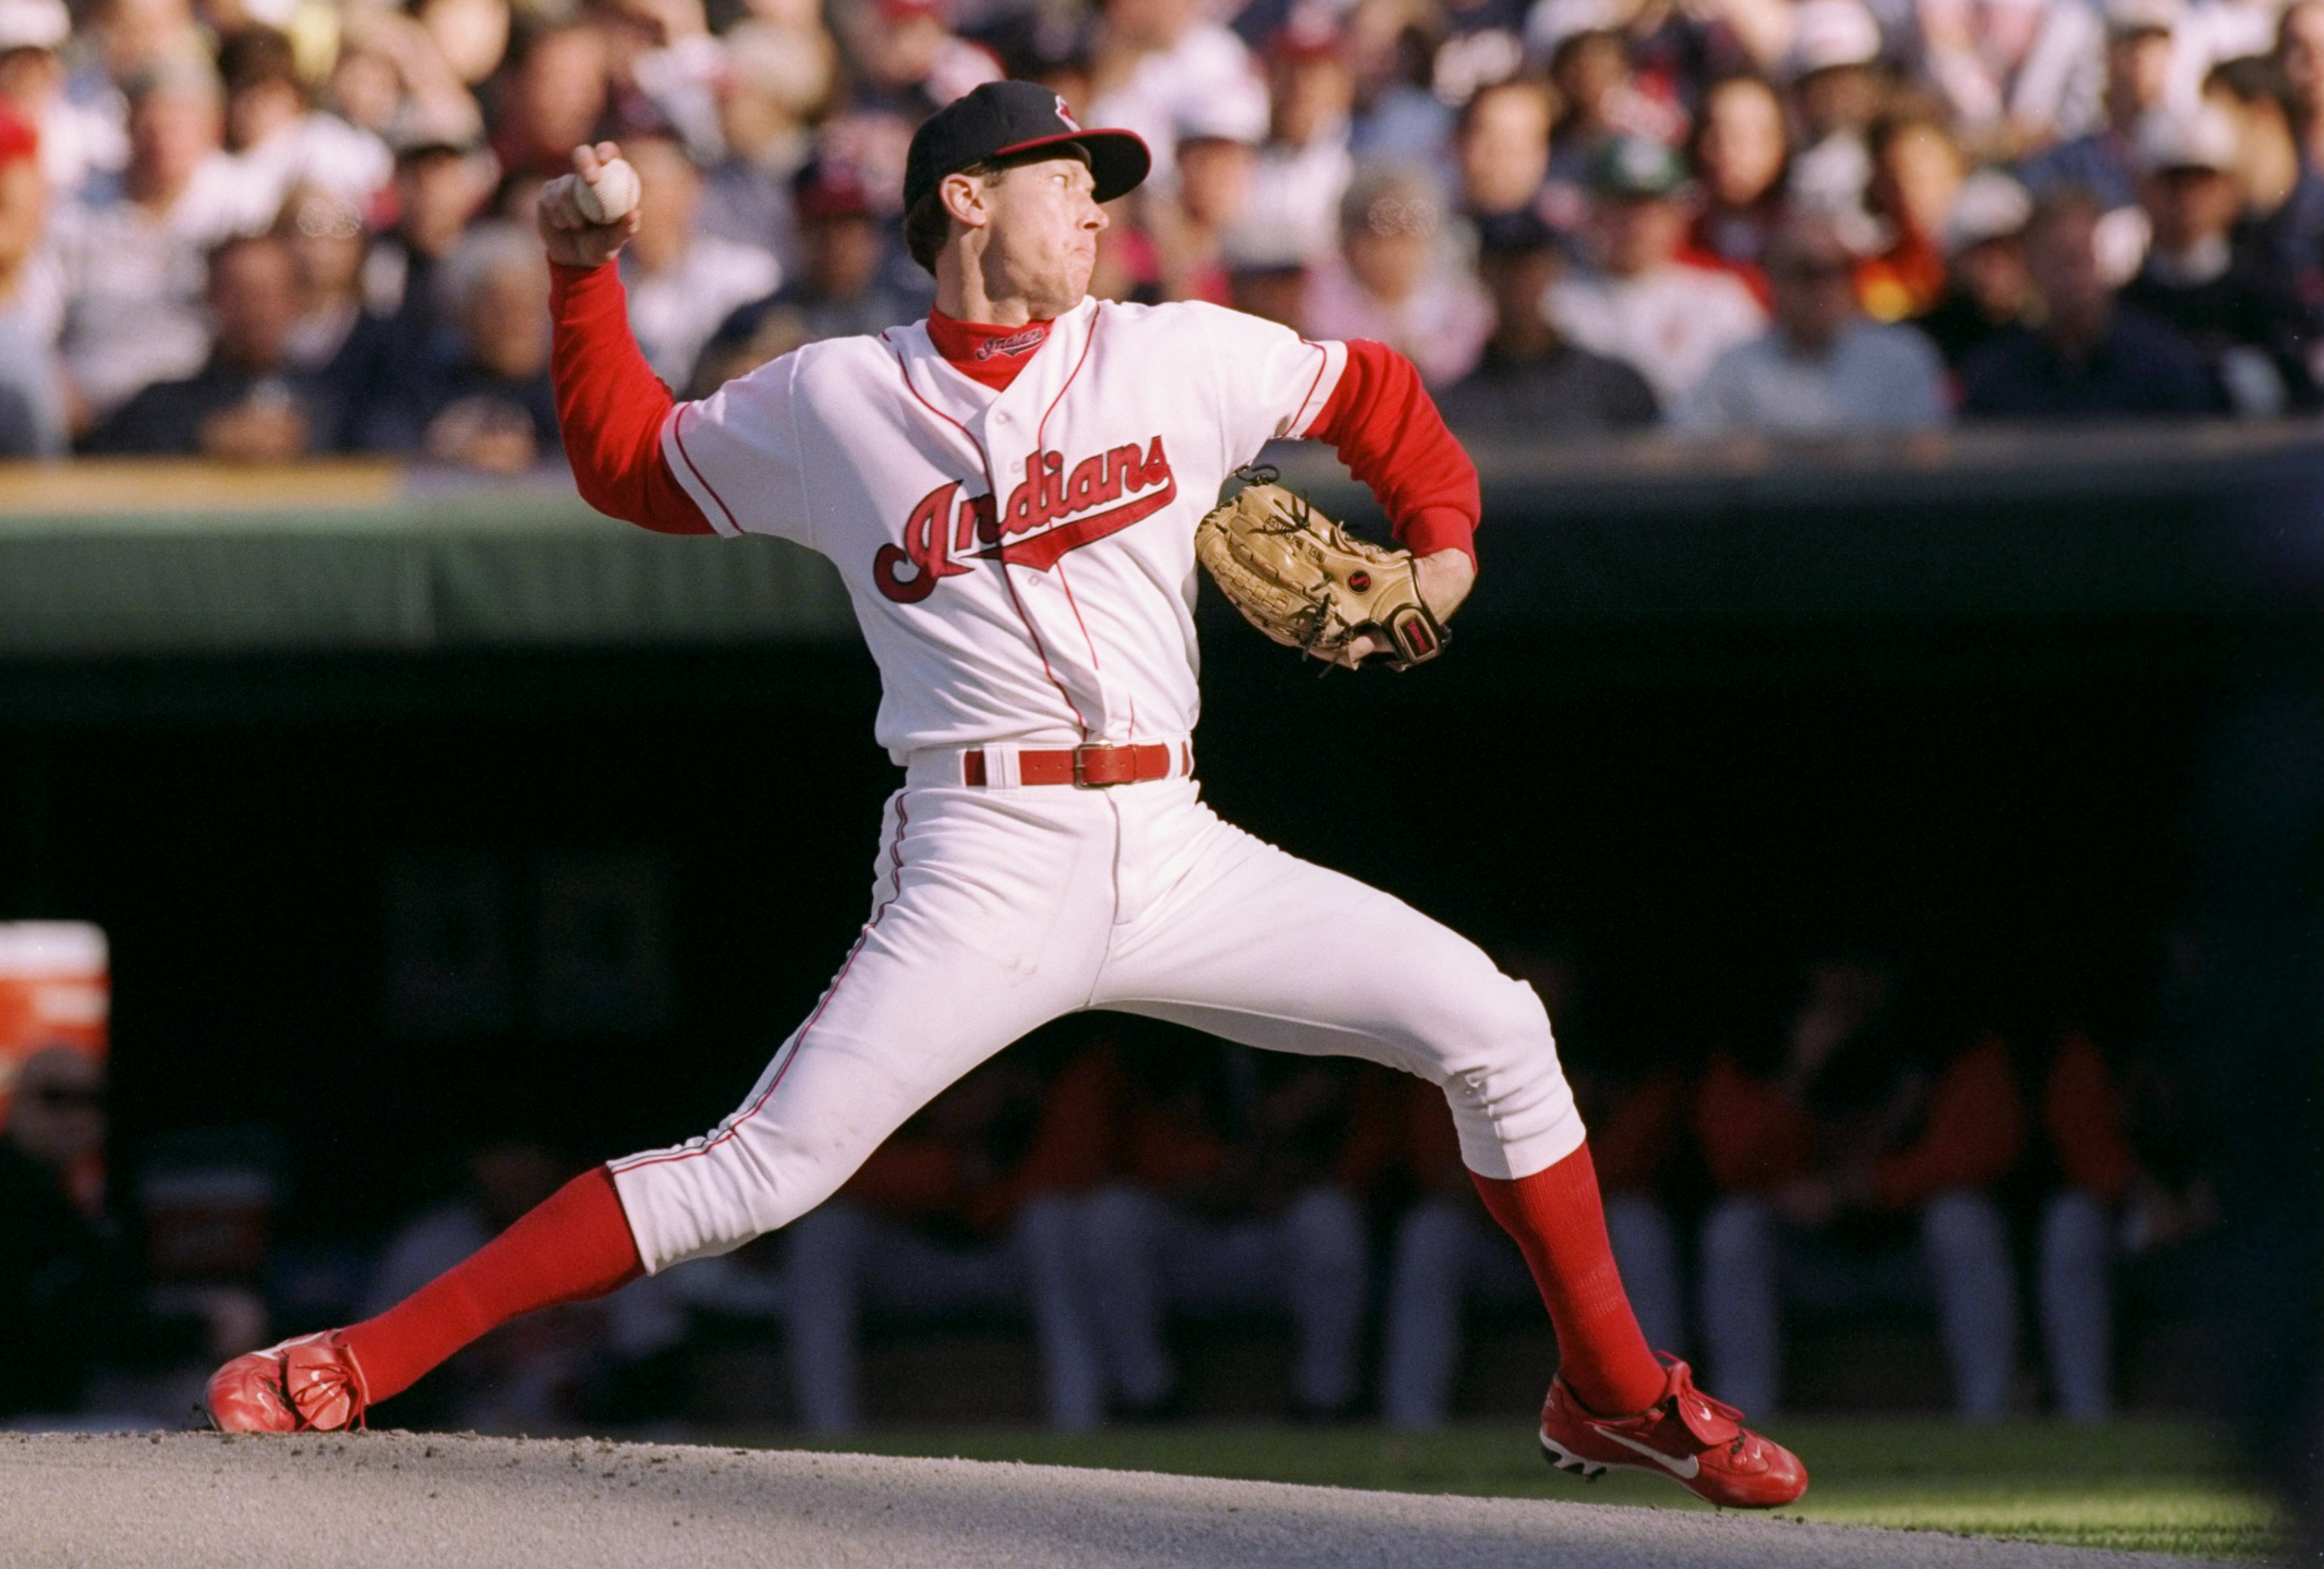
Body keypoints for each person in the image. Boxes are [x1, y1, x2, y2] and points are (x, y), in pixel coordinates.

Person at [207, 81, 1807, 1511]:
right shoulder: (833, 397)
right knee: (760, 1170)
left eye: (1102, 183)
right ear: (965, 199)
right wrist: (579, 272)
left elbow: (1379, 395)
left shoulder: (1176, 351)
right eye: (1065, 176)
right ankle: (364, 1355)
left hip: (1176, 844)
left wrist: (1443, 556)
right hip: (982, 854)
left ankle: (1612, 1391)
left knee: (1498, 1024)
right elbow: (630, 460)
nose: (1099, 204)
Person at [1694, 958, 2027, 1421]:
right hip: (1810, 1263)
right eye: (1834, 967)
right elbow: (1730, 1162)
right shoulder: (1763, 1042)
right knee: (1734, 1229)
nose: (1848, 985)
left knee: (1965, 1220)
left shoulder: (1941, 1035)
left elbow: (1983, 1148)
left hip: (1909, 1259)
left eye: (1866, 969)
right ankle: (1747, 1421)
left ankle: (1991, 1416)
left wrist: (1868, 1187)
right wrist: (1797, 1078)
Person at [783, 1049, 1112, 1432]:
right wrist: (949, 1172)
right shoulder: (890, 1074)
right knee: (826, 1231)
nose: (966, 1094)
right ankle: (829, 1436)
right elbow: (827, 1174)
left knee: (1053, 1223)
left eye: (980, 1078)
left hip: (1008, 1264)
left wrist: (981, 1193)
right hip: (915, 1264)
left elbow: (1077, 1177)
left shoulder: (1044, 1083)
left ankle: (1079, 1427)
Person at [1076, 1045, 1384, 1421]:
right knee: (1113, 1216)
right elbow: (1121, 1164)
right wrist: (1212, 1171)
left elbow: (1374, 1170)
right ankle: (1146, 1405)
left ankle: (1327, 1407)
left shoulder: (1323, 1044)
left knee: (1330, 1217)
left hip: (1279, 1240)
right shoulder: (1154, 1043)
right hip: (1188, 1243)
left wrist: (1286, 1154)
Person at [1, 1047, 263, 1418]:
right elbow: (79, 1328)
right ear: (14, 1104)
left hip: (63, 1388)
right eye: (55, 1097)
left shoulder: (70, 1190)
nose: (75, 1116)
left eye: (91, 1101)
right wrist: (202, 1327)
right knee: (203, 1397)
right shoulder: (14, 1192)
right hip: (28, 1411)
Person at [2118, 104, 2318, 412]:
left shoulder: (2270, 300)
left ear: (2230, 189)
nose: (2188, 199)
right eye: (2173, 183)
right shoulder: (2122, 310)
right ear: (2142, 188)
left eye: (2203, 181)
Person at [1679, 210, 1950, 433]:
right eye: (1805, 272)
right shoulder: (1736, 367)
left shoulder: (1901, 360)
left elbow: (1924, 462)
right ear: (1773, 281)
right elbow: (1692, 446)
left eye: (1835, 271)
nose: (1821, 288)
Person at [1547, 134, 1769, 407]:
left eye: (1650, 209)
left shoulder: (1721, 301)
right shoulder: (1558, 304)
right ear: (1593, 213)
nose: (1636, 225)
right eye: (1621, 209)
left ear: (1677, 215)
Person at [1959, 186, 2220, 417]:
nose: (2071, 275)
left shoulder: (2162, 367)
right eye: (2056, 260)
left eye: (2080, 257)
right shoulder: (1997, 377)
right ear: (2030, 268)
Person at [80, 230, 346, 456]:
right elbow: (92, 454)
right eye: (238, 294)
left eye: (268, 295)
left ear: (297, 302)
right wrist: (201, 437)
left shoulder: (333, 400)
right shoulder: (162, 407)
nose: (255, 311)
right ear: (211, 298)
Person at [1434, 209, 1659, 434]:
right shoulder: (1457, 404)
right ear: (1482, 273)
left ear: (1554, 269)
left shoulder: (1615, 386)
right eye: (1503, 266)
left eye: (1529, 266)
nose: (1518, 281)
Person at [1302, 161, 1493, 384]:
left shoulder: (1465, 309)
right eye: (1377, 233)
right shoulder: (1312, 300)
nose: (1393, 250)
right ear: (1347, 241)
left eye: (1408, 233)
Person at [1912, 165, 2035, 369]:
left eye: (2009, 249)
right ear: (1954, 261)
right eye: (1983, 250)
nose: (1998, 263)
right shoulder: (1921, 344)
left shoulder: (2048, 340)